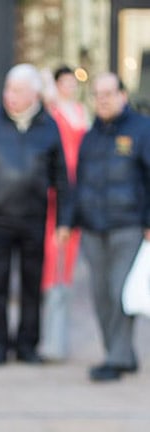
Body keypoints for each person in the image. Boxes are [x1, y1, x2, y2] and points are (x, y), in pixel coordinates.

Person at [0, 63, 72, 365]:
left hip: (33, 218)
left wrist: (63, 220)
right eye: (8, 89)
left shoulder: (48, 127)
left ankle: (27, 345)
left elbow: (62, 177)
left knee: (30, 285)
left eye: (18, 91)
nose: (10, 96)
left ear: (35, 95)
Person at [74, 72, 150, 381]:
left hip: (128, 225)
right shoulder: (90, 136)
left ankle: (117, 358)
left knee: (120, 291)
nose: (102, 100)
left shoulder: (142, 130)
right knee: (101, 294)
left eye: (108, 93)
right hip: (93, 227)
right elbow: (78, 182)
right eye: (97, 94)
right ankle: (122, 354)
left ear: (122, 95)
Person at [39, 65, 89, 360]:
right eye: (65, 82)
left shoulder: (80, 111)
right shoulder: (51, 112)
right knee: (51, 255)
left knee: (68, 257)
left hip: (76, 189)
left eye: (72, 82)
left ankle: (59, 333)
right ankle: (49, 333)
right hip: (55, 190)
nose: (70, 86)